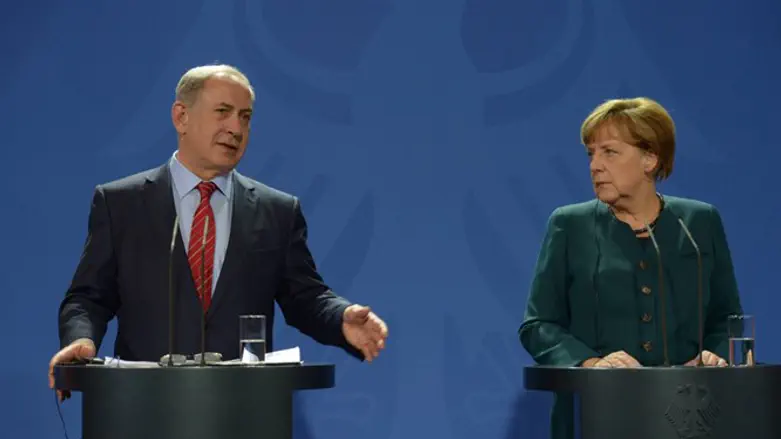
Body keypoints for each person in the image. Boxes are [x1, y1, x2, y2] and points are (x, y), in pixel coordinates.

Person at [48, 64, 388, 399]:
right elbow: (88, 297)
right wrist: (82, 340)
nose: (236, 128)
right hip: (144, 408)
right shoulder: (122, 203)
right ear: (181, 117)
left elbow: (305, 297)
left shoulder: (277, 211)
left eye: (245, 116)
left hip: (243, 411)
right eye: (223, 112)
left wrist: (340, 318)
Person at [518, 97, 743, 439]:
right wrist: (593, 365)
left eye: (609, 152)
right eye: (590, 153)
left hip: (686, 418)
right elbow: (538, 325)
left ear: (650, 159)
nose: (595, 165)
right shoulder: (569, 225)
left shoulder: (698, 223)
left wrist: (712, 355)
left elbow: (727, 318)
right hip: (594, 415)